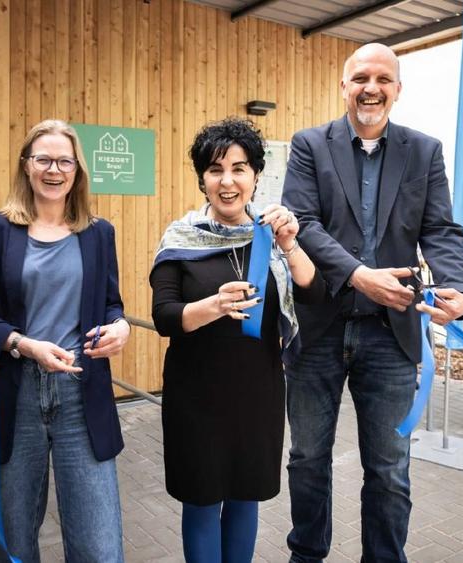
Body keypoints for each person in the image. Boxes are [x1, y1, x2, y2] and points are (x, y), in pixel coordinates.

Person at [280, 43, 463, 562]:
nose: (372, 88)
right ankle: (307, 555)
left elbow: (440, 229)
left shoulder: (424, 151)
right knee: (306, 459)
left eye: (383, 79)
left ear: (398, 89)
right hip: (318, 328)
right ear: (344, 86)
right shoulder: (310, 145)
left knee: (389, 470)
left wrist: (461, 288)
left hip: (391, 334)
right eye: (361, 78)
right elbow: (303, 223)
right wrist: (358, 275)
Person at [150, 117, 324, 562]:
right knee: (202, 500)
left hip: (257, 392)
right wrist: (214, 306)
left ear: (256, 175)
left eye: (239, 168)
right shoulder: (181, 237)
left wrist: (291, 243)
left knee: (246, 497)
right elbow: (165, 317)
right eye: (215, 170)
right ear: (202, 179)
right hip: (196, 394)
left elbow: (314, 293)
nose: (227, 181)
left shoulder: (271, 233)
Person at [0, 119, 130, 562]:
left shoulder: (98, 233)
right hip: (16, 393)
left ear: (77, 170)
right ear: (26, 165)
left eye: (64, 162)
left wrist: (121, 327)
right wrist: (23, 344)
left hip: (81, 391)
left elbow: (111, 303)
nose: (54, 170)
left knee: (99, 546)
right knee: (16, 541)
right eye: (43, 160)